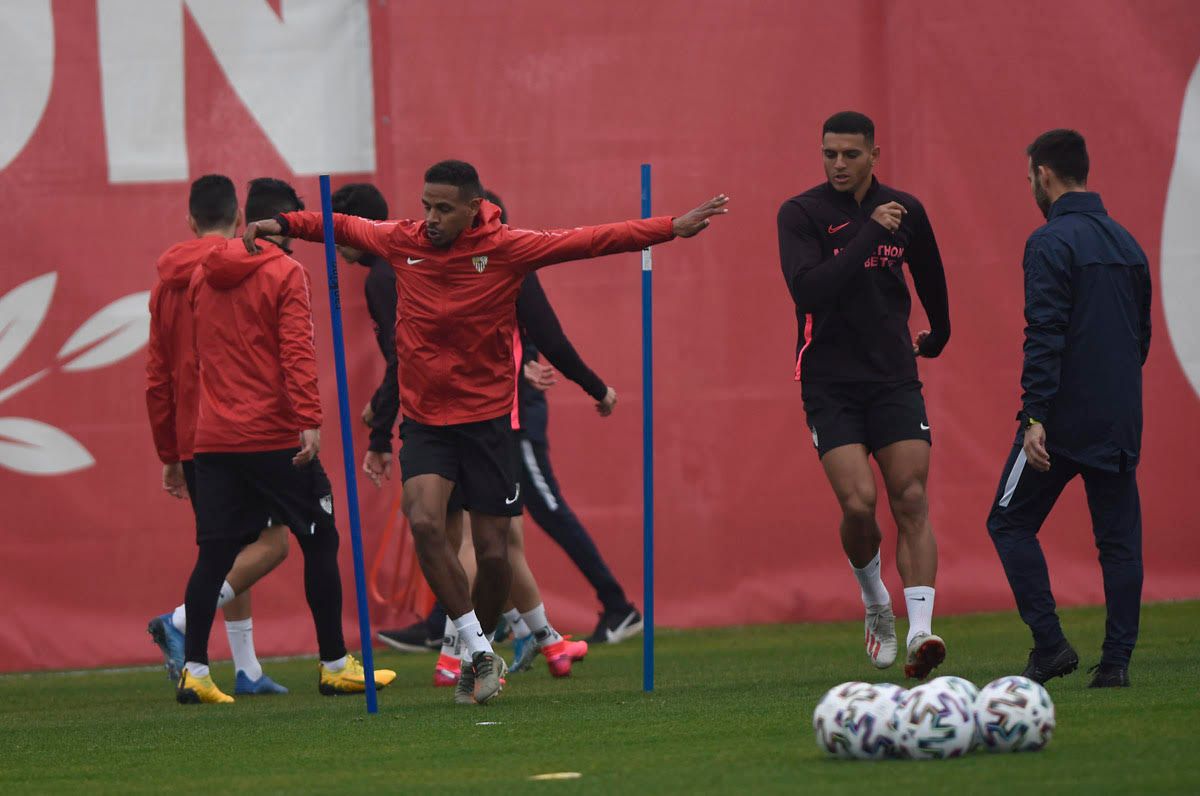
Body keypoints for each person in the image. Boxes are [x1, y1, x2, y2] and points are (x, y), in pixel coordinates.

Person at [244, 160, 728, 704]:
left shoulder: (507, 249)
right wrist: (280, 223)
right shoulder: (403, 240)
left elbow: (591, 240)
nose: (431, 218)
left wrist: (670, 227)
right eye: (426, 205)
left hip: (488, 422)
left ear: (473, 208)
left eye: (443, 208)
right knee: (425, 521)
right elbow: (337, 225)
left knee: (496, 556)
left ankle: (494, 640)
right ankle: (477, 652)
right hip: (427, 421)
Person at [175, 177, 396, 703]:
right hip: (273, 434)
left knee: (214, 554)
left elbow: (196, 354)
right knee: (320, 539)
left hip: (215, 437)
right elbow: (296, 350)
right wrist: (309, 419)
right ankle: (334, 664)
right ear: (286, 222)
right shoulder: (285, 271)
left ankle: (195, 672)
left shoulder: (203, 274)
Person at [777, 111, 951, 679]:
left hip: (893, 378)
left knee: (911, 497)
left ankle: (921, 631)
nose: (839, 164)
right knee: (858, 504)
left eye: (851, 154)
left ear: (874, 155)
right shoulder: (801, 214)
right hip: (830, 382)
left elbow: (931, 275)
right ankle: (876, 600)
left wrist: (940, 332)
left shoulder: (906, 209)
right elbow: (810, 290)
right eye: (829, 153)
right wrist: (871, 232)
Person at [986, 129, 1151, 688]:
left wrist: (1034, 416)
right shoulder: (1128, 244)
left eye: (1029, 177)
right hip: (1118, 416)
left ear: (1044, 175)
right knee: (1119, 544)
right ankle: (1116, 665)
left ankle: (1051, 645)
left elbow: (1045, 333)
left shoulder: (1049, 242)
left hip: (1059, 419)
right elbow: (1141, 338)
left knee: (1008, 522)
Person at [144, 174, 289, 695]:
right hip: (242, 427)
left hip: (193, 435)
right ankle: (181, 620)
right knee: (273, 544)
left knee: (227, 549)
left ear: (190, 220)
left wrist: (169, 452)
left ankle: (246, 669)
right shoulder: (242, 267)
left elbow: (157, 377)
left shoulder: (164, 284)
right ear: (239, 219)